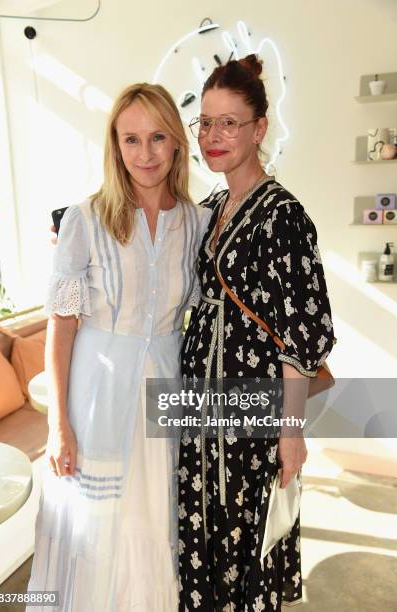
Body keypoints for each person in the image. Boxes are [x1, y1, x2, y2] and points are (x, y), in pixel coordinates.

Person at [26, 83, 211, 612]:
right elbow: (61, 329)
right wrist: (58, 425)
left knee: (154, 521)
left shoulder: (196, 223)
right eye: (131, 139)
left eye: (157, 137)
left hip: (166, 393)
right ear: (115, 144)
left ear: (176, 141)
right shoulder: (85, 219)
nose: (145, 153)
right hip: (96, 396)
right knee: (94, 528)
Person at [178, 54, 336, 611]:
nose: (213, 136)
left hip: (252, 418)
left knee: (246, 543)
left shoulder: (283, 214)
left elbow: (303, 335)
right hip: (200, 414)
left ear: (259, 128)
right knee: (201, 542)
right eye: (205, 122)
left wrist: (291, 432)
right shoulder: (212, 206)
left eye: (229, 123)